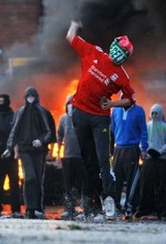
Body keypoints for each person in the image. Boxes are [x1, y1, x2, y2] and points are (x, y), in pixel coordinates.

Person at [66, 20, 136, 221]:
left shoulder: (122, 76)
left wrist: (111, 105)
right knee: (89, 163)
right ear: (113, 46)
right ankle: (92, 208)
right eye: (118, 50)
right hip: (79, 113)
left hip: (99, 119)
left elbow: (131, 98)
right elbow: (71, 38)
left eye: (123, 54)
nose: (118, 55)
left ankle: (109, 199)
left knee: (103, 160)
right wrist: (74, 24)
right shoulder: (94, 53)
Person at [1, 86, 54, 219]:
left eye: (33, 96)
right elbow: (15, 131)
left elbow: (48, 132)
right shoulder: (20, 112)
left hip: (39, 151)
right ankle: (30, 208)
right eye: (28, 96)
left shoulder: (42, 112)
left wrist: (41, 141)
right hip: (25, 151)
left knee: (38, 180)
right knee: (30, 178)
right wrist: (9, 148)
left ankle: (38, 208)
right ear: (25, 97)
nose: (30, 98)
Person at [136, 103, 166, 219]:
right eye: (152, 113)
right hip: (149, 160)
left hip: (162, 161)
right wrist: (147, 151)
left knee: (161, 186)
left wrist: (160, 152)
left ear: (161, 114)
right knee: (146, 185)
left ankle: (162, 210)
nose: (154, 115)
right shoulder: (147, 126)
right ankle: (144, 209)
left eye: (156, 113)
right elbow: (141, 140)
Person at [111, 99, 148, 219]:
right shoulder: (115, 110)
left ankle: (129, 207)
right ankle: (115, 206)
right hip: (118, 149)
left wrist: (144, 149)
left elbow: (143, 130)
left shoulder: (139, 111)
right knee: (116, 179)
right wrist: (111, 148)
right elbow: (112, 130)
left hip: (132, 148)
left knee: (132, 180)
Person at [57, 95, 85, 219]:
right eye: (69, 103)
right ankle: (69, 208)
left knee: (83, 183)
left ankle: (85, 207)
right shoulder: (63, 119)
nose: (71, 105)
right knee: (68, 184)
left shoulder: (83, 117)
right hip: (68, 156)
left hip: (81, 156)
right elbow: (59, 137)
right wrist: (58, 154)